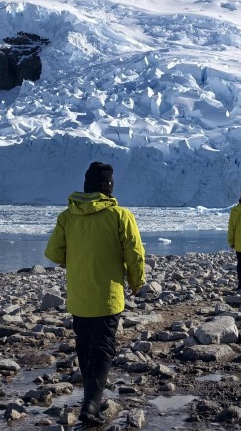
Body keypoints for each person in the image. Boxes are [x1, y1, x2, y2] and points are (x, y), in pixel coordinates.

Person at [44, 162, 145, 427]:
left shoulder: (68, 216)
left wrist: (77, 260)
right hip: (108, 296)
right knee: (103, 347)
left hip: (79, 295)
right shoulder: (120, 216)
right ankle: (91, 404)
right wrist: (136, 281)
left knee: (85, 345)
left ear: (86, 186)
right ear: (109, 188)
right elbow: (134, 254)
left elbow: (54, 253)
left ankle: (90, 401)